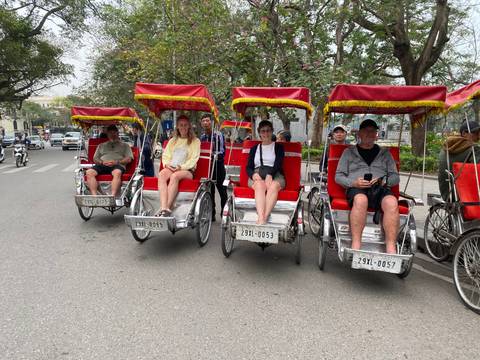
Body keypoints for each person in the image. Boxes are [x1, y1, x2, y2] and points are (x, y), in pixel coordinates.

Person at [335, 118, 400, 254]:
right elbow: (338, 176)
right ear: (359, 133)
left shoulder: (385, 154)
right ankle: (356, 244)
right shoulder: (348, 152)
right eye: (366, 131)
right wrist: (353, 183)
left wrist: (384, 182)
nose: (369, 134)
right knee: (361, 200)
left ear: (376, 134)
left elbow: (395, 177)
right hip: (357, 188)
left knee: (392, 202)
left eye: (372, 131)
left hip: (380, 188)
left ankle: (391, 248)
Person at [158, 115, 200, 217]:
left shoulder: (195, 141)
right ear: (177, 127)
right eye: (181, 125)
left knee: (175, 176)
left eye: (185, 125)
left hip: (187, 170)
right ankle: (163, 206)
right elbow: (166, 155)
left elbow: (193, 159)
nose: (183, 127)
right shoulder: (173, 140)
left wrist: (181, 167)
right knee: (162, 175)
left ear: (189, 126)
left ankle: (167, 208)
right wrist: (167, 165)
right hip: (172, 166)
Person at [246, 120, 285, 225]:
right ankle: (262, 219)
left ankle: (263, 218)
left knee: (273, 186)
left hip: (275, 173)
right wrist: (253, 175)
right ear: (259, 133)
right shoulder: (254, 149)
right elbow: (248, 167)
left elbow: (278, 163)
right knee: (259, 185)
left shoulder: (278, 147)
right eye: (263, 131)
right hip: (257, 174)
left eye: (268, 131)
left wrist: (270, 175)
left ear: (272, 131)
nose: (266, 134)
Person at [86, 125, 133, 204]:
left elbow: (129, 159)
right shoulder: (101, 145)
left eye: (114, 132)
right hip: (103, 164)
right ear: (107, 134)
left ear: (117, 133)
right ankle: (94, 197)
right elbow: (95, 158)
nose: (112, 134)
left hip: (117, 165)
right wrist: (101, 162)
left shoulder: (125, 145)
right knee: (89, 172)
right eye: (110, 133)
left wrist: (117, 162)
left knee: (117, 172)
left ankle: (112, 197)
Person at [438, 120, 480, 201]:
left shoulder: (446, 147)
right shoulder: (474, 149)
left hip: (446, 192)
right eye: (475, 133)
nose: (478, 137)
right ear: (464, 133)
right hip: (465, 195)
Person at [200, 114, 228, 221]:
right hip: (207, 167)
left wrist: (212, 155)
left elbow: (221, 151)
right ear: (201, 123)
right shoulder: (202, 137)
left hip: (218, 166)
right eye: (204, 121)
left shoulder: (218, 135)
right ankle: (211, 214)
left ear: (211, 122)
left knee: (222, 192)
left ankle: (223, 214)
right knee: (209, 191)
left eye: (207, 120)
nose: (206, 123)